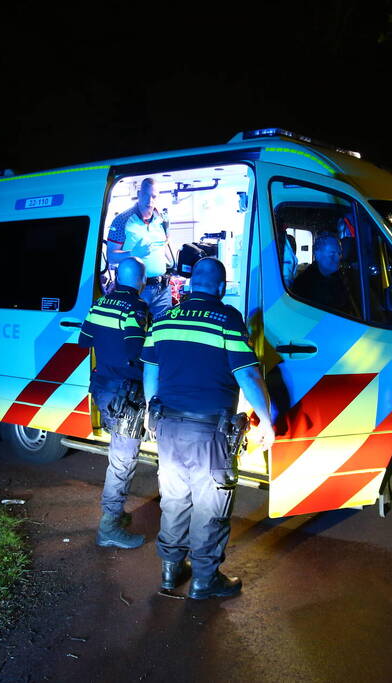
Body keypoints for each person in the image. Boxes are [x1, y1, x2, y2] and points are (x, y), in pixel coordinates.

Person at [141, 258, 274, 600]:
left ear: (190, 285)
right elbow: (246, 373)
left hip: (168, 426)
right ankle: (204, 579)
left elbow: (150, 370)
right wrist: (266, 420)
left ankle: (170, 571)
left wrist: (148, 410)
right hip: (209, 433)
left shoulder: (164, 318)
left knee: (174, 500)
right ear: (220, 287)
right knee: (210, 506)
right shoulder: (227, 319)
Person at [78, 257, 150, 549]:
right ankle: (109, 526)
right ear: (141, 281)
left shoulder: (99, 305)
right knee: (122, 460)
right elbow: (138, 349)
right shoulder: (136, 308)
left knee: (119, 456)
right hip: (126, 395)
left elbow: (84, 341)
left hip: (103, 389)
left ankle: (115, 516)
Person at [107, 178, 175, 319]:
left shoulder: (162, 220)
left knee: (161, 333)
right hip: (136, 290)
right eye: (145, 195)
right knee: (135, 332)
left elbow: (166, 245)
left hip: (162, 288)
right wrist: (133, 253)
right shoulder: (122, 220)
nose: (149, 200)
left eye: (154, 196)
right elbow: (111, 256)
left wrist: (175, 265)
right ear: (139, 193)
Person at [291, 232, 350, 312]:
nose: (338, 258)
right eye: (332, 254)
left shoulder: (341, 278)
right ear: (317, 255)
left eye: (339, 253)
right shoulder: (304, 284)